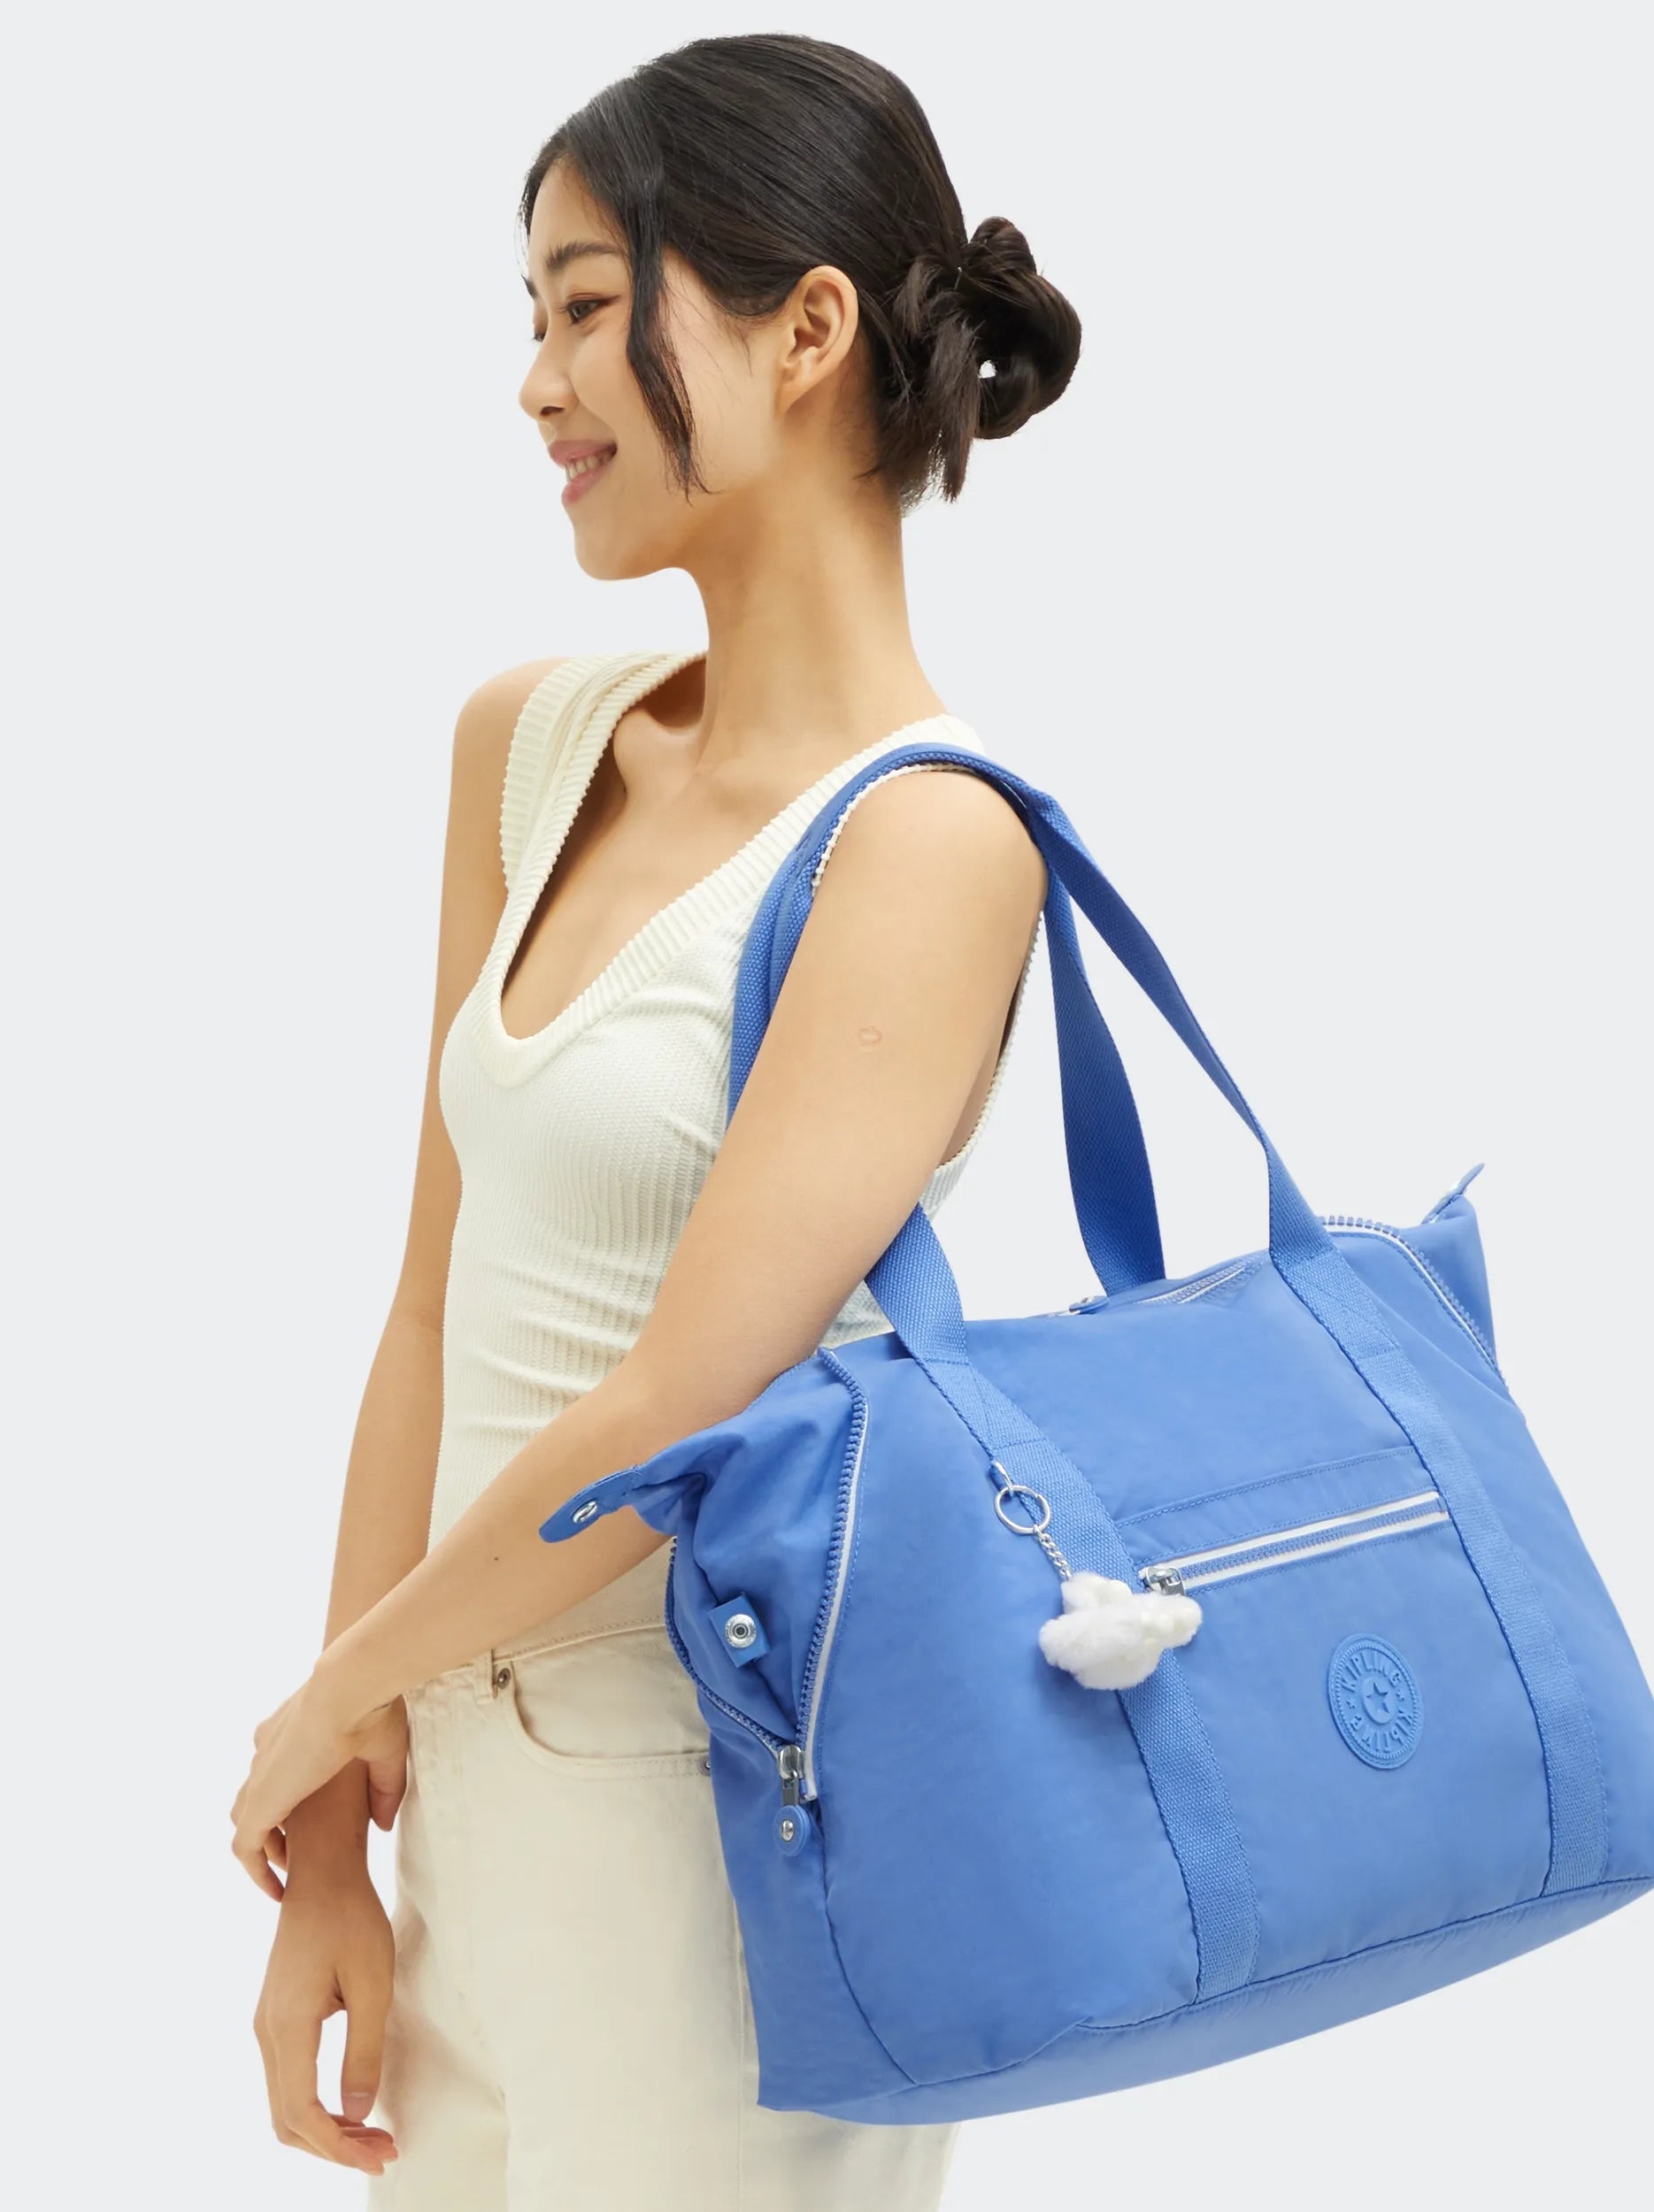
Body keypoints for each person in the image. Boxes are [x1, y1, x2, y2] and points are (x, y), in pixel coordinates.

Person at [229, 34, 1079, 2209]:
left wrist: (329, 1694)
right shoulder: (529, 747)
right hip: (465, 1824)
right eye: (530, 316)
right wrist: (329, 1820)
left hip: (732, 1853)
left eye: (590, 305)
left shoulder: (928, 841)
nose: (538, 383)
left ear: (805, 330)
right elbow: (427, 1309)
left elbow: (675, 1404)